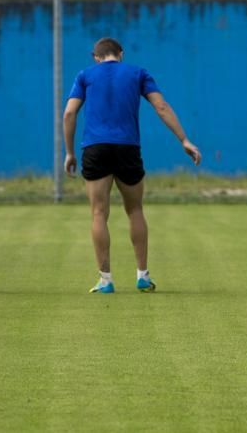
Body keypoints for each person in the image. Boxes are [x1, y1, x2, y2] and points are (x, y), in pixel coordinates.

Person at [63, 37, 201, 294]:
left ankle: (105, 280)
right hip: (128, 148)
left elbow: (69, 113)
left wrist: (70, 153)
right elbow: (160, 105)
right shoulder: (138, 73)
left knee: (98, 213)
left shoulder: (85, 75)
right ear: (121, 54)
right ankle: (143, 276)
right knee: (135, 210)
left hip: (95, 148)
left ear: (96, 56)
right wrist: (184, 139)